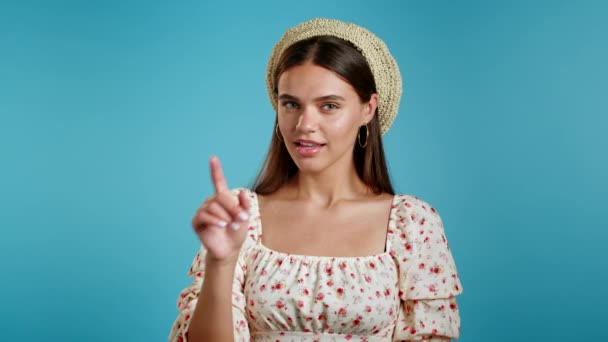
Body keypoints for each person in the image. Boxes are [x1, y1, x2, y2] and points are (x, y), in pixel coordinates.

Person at [169, 18, 463, 342]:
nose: (305, 124)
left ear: (368, 109)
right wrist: (220, 262)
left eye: (329, 106)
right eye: (291, 104)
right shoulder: (241, 217)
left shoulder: (413, 224)